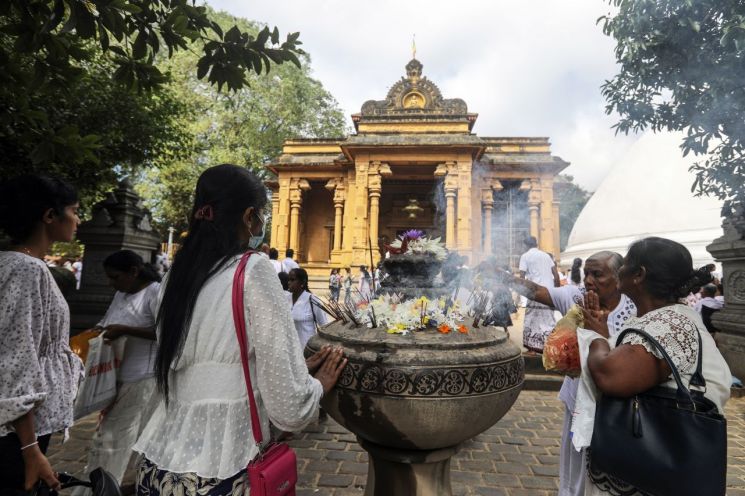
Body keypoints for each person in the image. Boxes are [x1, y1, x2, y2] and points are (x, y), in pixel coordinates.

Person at [132, 165, 346, 495]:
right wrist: (316, 387)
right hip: (220, 472)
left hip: (157, 467)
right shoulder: (253, 270)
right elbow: (289, 411)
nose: (262, 226)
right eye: (261, 216)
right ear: (249, 217)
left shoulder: (175, 276)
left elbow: (212, 369)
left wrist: (297, 371)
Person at [583, 237, 731, 495]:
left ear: (639, 275)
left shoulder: (671, 325)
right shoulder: (663, 318)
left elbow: (610, 376)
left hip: (658, 466)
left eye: (625, 264)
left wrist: (596, 338)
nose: (619, 269)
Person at [501, 250, 636, 496]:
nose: (589, 281)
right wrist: (502, 278)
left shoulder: (634, 310)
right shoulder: (576, 297)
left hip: (614, 404)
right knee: (575, 461)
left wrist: (602, 334)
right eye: (586, 274)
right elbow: (537, 291)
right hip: (576, 401)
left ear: (619, 279)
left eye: (598, 274)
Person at [0, 175, 85, 494]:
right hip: (15, 434)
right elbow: (16, 362)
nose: (78, 220)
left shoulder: (15, 264)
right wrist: (30, 449)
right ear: (50, 216)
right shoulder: (26, 269)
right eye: (74, 210)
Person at [77, 250, 162, 489]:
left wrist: (126, 330)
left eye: (115, 277)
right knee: (116, 433)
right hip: (114, 375)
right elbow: (106, 322)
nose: (111, 283)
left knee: (116, 436)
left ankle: (106, 485)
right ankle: (114, 482)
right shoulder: (121, 294)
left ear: (133, 272)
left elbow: (166, 333)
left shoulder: (154, 293)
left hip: (143, 377)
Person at [518, 236, 560, 353]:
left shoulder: (525, 256)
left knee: (532, 319)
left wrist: (521, 294)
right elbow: (556, 275)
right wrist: (557, 293)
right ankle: (550, 347)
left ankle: (532, 349)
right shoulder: (546, 256)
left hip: (535, 292)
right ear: (536, 244)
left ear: (525, 245)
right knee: (548, 319)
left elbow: (522, 278)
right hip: (549, 292)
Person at [288, 268, 329, 348]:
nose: (289, 283)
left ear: (302, 282)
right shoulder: (285, 298)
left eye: (292, 280)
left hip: (306, 348)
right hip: (289, 349)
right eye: (288, 280)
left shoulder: (312, 300)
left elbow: (324, 325)